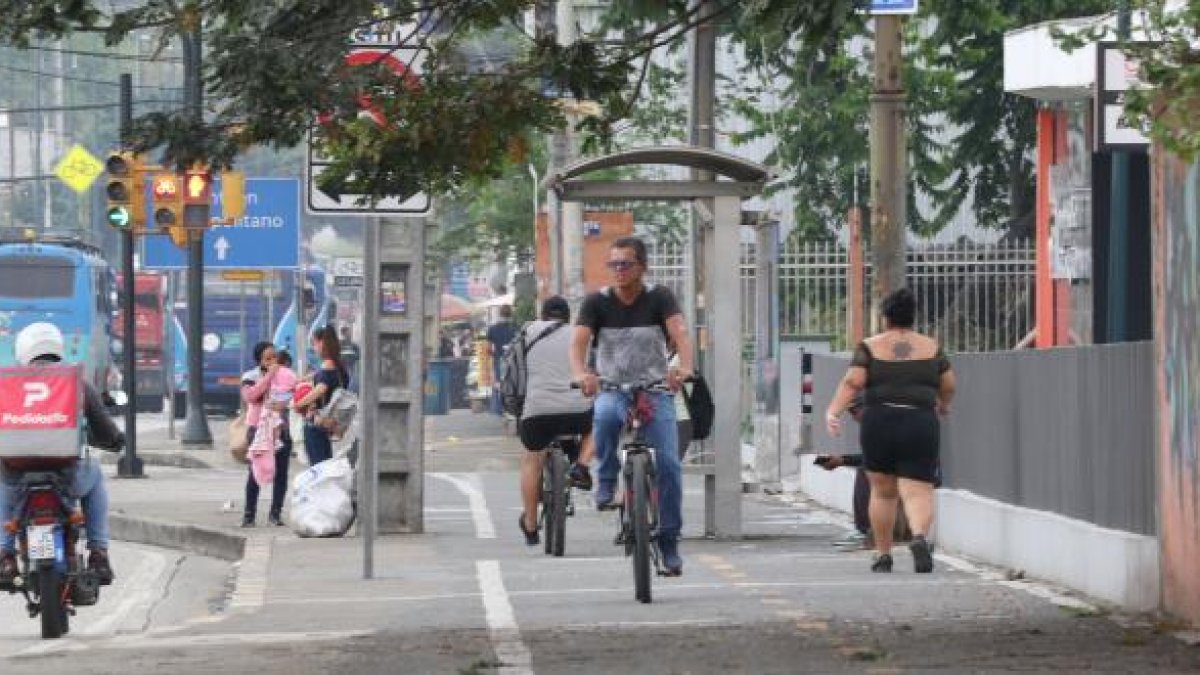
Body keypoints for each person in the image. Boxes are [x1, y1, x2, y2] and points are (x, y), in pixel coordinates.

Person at [571, 236, 694, 576]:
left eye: (626, 264)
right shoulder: (596, 302)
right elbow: (578, 343)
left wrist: (683, 368)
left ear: (643, 266)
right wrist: (582, 373)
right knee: (606, 414)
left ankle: (669, 543)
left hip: (655, 390)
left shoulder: (660, 297)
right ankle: (607, 480)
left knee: (669, 465)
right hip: (612, 386)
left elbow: (681, 335)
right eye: (614, 264)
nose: (619, 270)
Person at [825, 288, 956, 574]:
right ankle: (919, 536)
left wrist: (833, 412)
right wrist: (943, 405)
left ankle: (883, 554)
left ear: (886, 318)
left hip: (879, 421)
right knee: (919, 489)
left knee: (883, 492)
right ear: (913, 316)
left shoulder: (870, 347)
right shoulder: (931, 347)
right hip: (920, 421)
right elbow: (949, 385)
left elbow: (852, 382)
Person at [0, 322, 124, 587]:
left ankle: (5, 554)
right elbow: (104, 429)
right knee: (96, 477)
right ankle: (99, 553)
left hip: (15, 478)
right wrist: (115, 441)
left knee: (2, 488)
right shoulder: (77, 382)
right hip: (68, 477)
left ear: (23, 350)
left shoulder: (7, 383)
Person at [516, 296, 595, 546]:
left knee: (532, 459)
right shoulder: (581, 334)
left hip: (537, 411)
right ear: (568, 317)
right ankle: (581, 465)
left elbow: (515, 371)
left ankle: (530, 524)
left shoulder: (527, 332)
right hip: (577, 410)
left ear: (542, 315)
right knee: (596, 426)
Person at [240, 342, 293, 527]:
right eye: (267, 358)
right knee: (255, 472)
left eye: (274, 357)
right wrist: (270, 376)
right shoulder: (250, 376)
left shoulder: (285, 375)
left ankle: (275, 513)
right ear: (259, 361)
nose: (272, 361)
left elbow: (292, 394)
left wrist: (284, 403)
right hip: (258, 430)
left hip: (280, 429)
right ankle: (249, 515)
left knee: (281, 473)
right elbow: (250, 396)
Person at [294, 325, 350, 466]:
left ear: (321, 342)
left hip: (317, 421)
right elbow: (326, 379)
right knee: (325, 465)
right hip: (329, 422)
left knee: (318, 468)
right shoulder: (339, 365)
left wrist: (298, 403)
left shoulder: (328, 365)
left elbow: (321, 389)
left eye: (314, 343)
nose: (314, 347)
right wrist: (306, 378)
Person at [486, 305, 516, 416]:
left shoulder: (492, 329)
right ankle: (511, 409)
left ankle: (499, 409)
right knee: (513, 383)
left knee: (499, 384)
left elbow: (488, 348)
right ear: (511, 315)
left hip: (499, 359)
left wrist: (494, 355)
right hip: (513, 360)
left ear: (500, 314)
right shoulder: (515, 328)